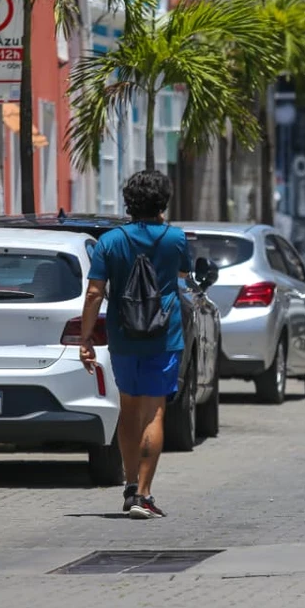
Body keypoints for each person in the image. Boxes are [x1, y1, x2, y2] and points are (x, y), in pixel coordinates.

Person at [79, 170, 191, 520]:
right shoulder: (175, 238)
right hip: (163, 335)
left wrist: (84, 339)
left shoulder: (110, 241)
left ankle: (130, 488)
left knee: (128, 409)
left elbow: (95, 292)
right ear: (163, 202)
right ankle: (144, 494)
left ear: (128, 201)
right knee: (155, 410)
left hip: (123, 336)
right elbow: (185, 277)